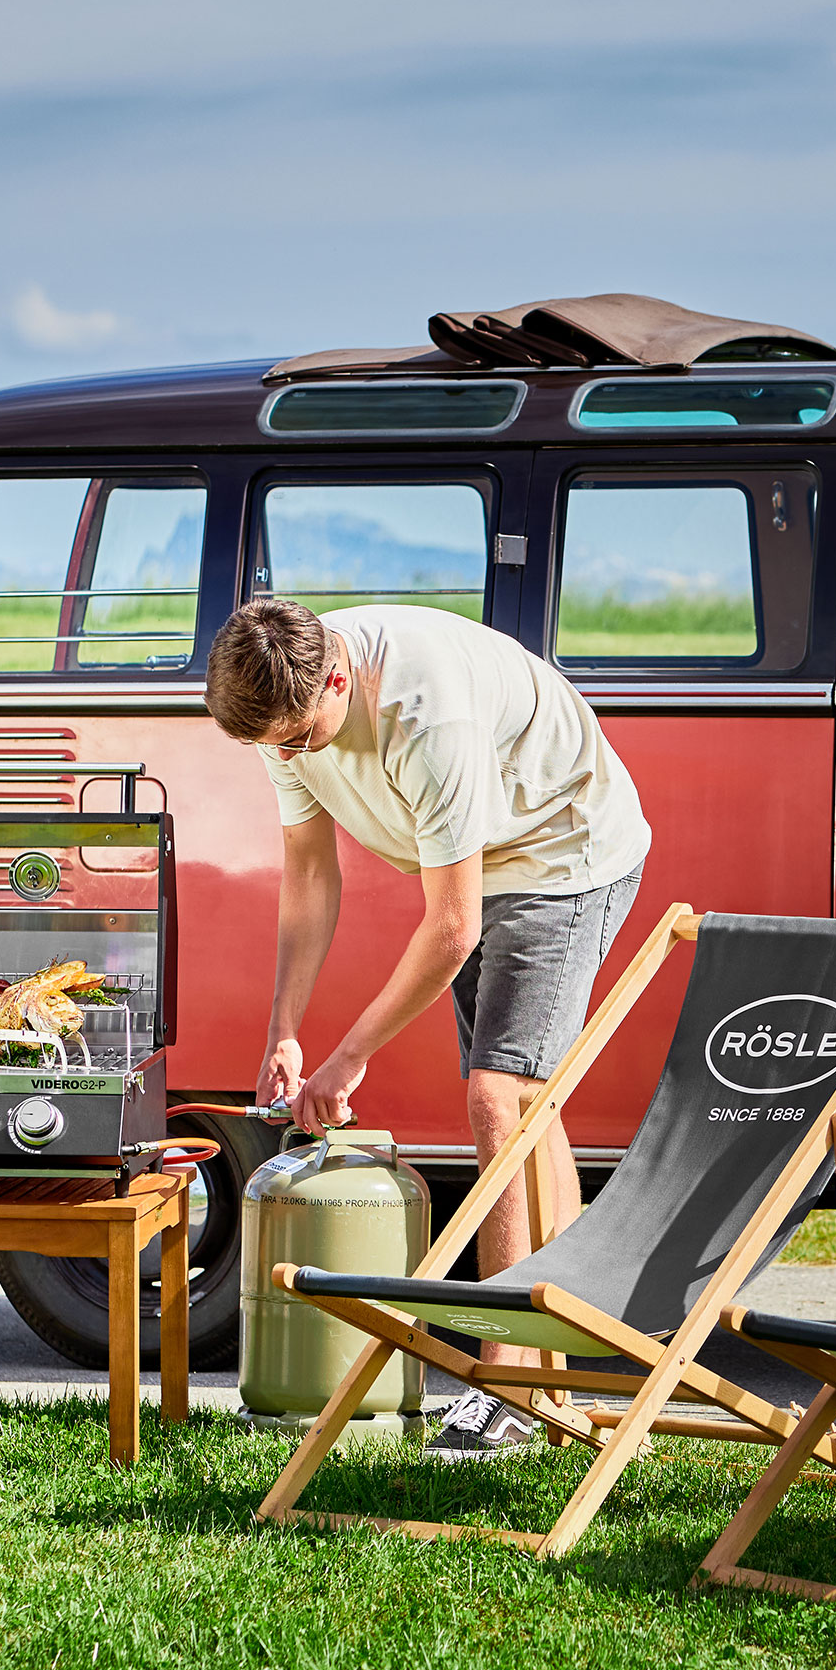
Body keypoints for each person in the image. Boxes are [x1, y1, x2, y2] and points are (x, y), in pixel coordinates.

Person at [204, 598, 650, 1456]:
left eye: (298, 739)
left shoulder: (423, 709)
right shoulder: (280, 703)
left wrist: (347, 1060)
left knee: (497, 1096)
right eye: (271, 748)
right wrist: (286, 1031)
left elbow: (453, 927)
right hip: (484, 866)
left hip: (563, 850)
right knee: (528, 1104)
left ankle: (510, 1383)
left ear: (338, 676)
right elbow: (308, 875)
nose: (289, 757)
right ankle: (568, 1345)